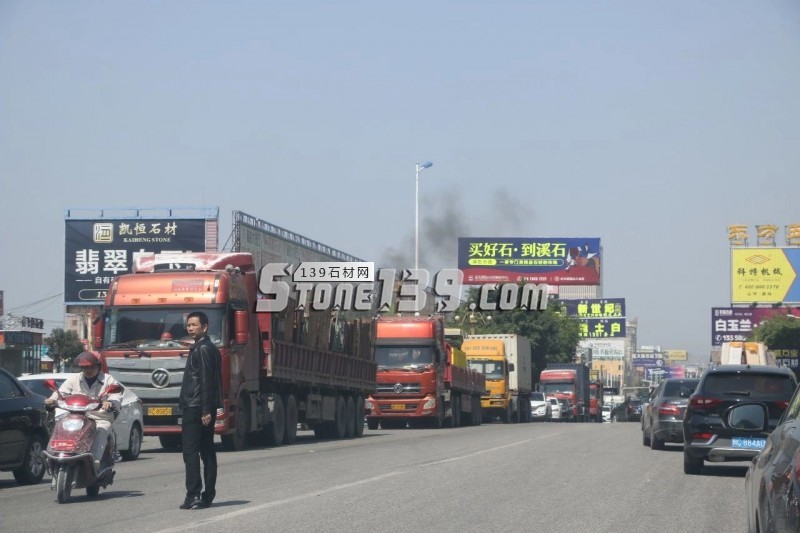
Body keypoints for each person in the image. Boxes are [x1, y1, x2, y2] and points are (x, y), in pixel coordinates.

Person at [45, 351, 123, 469]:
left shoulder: (108, 379)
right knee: (59, 425)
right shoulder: (74, 379)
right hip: (75, 416)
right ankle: (52, 455)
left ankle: (95, 461)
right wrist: (51, 399)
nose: (88, 370)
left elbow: (116, 395)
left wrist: (110, 402)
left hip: (98, 417)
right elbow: (62, 393)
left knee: (103, 429)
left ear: (98, 366)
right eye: (85, 368)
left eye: (92, 367)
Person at [178, 311, 223, 510]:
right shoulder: (203, 347)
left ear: (205, 327)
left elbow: (206, 380)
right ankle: (208, 494)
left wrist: (205, 410)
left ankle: (194, 494)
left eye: (194, 325)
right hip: (201, 406)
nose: (190, 328)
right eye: (188, 325)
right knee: (206, 451)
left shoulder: (203, 349)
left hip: (196, 407)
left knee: (191, 452)